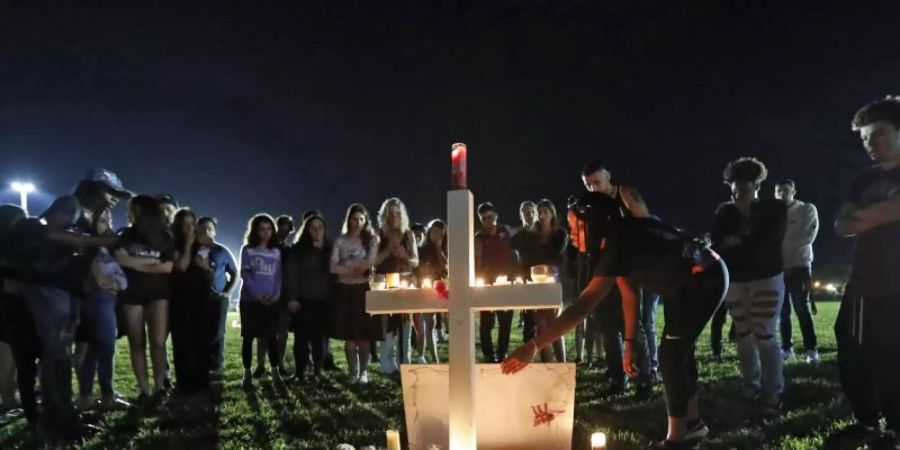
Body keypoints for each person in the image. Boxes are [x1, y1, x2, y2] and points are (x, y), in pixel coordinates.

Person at [503, 191, 728, 450]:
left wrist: (533, 346)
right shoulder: (617, 238)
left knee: (671, 356)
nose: (572, 234)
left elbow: (582, 308)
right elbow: (629, 294)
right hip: (690, 280)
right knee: (679, 353)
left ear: (593, 223)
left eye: (577, 227)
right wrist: (629, 343)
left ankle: (678, 439)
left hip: (702, 280)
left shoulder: (617, 242)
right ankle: (692, 424)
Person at [16, 168, 129, 439]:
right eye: (109, 191)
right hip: (47, 286)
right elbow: (52, 233)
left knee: (60, 356)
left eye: (117, 194)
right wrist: (100, 239)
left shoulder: (92, 218)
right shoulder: (71, 204)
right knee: (56, 356)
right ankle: (58, 425)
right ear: (91, 188)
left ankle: (62, 418)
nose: (114, 198)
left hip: (65, 289)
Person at [830, 97, 900, 449]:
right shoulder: (864, 179)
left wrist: (867, 216)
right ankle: (868, 421)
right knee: (853, 347)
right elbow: (842, 225)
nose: (872, 144)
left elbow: (859, 219)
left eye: (880, 134)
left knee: (892, 353)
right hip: (865, 280)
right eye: (866, 139)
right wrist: (882, 212)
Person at [711, 157, 786, 415]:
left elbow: (770, 239)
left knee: (764, 334)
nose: (737, 192)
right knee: (743, 334)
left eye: (742, 187)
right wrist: (745, 238)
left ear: (756, 184)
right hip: (736, 279)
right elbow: (718, 243)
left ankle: (772, 391)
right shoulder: (724, 211)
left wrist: (740, 237)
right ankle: (750, 384)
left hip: (766, 277)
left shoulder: (773, 208)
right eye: (733, 187)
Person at [580, 161, 653, 398]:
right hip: (603, 268)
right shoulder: (590, 206)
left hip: (627, 267)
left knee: (632, 325)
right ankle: (617, 377)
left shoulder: (625, 194)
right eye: (588, 185)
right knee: (608, 328)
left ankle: (644, 379)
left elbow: (645, 225)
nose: (593, 189)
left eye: (597, 183)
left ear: (608, 176)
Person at [115, 195, 175, 404]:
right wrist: (151, 261)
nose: (127, 214)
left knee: (158, 342)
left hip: (158, 293)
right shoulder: (125, 235)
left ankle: (159, 388)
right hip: (132, 294)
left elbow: (168, 267)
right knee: (136, 343)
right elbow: (121, 260)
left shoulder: (165, 237)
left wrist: (134, 262)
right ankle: (144, 390)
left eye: (131, 210)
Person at [77, 207, 130, 410]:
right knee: (106, 347)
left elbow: (122, 281)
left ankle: (87, 395)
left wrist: (116, 284)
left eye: (108, 220)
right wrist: (115, 284)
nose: (106, 224)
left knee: (95, 348)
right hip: (97, 300)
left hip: (109, 301)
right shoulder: (90, 248)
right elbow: (100, 280)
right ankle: (106, 395)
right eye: (101, 220)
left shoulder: (109, 248)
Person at [330, 204, 380, 385]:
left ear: (365, 220)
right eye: (354, 219)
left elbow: (370, 262)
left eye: (361, 219)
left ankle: (364, 373)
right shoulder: (341, 241)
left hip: (362, 289)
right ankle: (353, 372)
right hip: (345, 289)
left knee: (364, 334)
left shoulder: (371, 239)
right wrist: (353, 266)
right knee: (349, 334)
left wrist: (348, 264)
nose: (357, 222)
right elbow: (333, 266)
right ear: (348, 220)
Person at [513, 199, 568, 362]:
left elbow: (556, 256)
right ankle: (547, 364)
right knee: (541, 326)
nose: (542, 215)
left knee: (554, 324)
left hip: (553, 282)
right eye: (540, 212)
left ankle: (561, 363)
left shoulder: (559, 234)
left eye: (546, 212)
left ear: (552, 214)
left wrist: (545, 265)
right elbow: (522, 252)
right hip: (534, 282)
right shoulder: (531, 236)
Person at [0, 204, 40, 427]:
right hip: (12, 306)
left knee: (7, 353)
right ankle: (9, 398)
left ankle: (9, 397)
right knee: (11, 355)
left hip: (7, 305)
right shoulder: (11, 246)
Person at [283, 213, 335, 382]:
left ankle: (318, 372)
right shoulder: (298, 250)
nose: (317, 230)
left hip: (324, 301)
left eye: (320, 227)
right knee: (301, 339)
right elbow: (291, 274)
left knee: (320, 339)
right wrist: (292, 298)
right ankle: (299, 373)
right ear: (307, 230)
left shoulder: (331, 249)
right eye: (313, 227)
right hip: (303, 300)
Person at [775, 179, 820, 363]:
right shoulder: (774, 213)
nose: (782, 193)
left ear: (793, 190)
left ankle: (811, 350)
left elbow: (807, 236)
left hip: (799, 267)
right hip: (778, 268)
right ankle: (787, 348)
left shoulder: (806, 209)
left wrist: (782, 241)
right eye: (778, 190)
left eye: (785, 190)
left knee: (802, 309)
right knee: (782, 312)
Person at [238, 214, 283, 389]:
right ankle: (247, 375)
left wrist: (275, 296)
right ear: (256, 231)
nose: (266, 232)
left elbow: (278, 276)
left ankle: (275, 374)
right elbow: (245, 274)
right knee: (248, 338)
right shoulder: (247, 249)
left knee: (272, 338)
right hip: (250, 301)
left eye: (269, 228)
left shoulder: (276, 252)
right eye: (262, 229)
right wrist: (257, 295)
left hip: (271, 301)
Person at [374, 198, 419, 370]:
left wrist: (403, 255)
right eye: (390, 213)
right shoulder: (378, 235)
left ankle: (404, 363)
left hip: (404, 282)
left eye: (397, 213)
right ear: (384, 216)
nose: (393, 217)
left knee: (405, 322)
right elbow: (373, 261)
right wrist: (386, 251)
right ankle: (386, 363)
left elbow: (415, 261)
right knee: (386, 323)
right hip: (384, 282)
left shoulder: (408, 235)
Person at [195, 217, 238, 380]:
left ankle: (215, 366)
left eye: (210, 229)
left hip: (217, 298)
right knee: (200, 332)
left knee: (217, 333)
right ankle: (200, 365)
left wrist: (227, 293)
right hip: (198, 298)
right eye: (203, 228)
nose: (207, 232)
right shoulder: (193, 250)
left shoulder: (222, 251)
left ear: (214, 231)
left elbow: (235, 272)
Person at [474, 202, 516, 363]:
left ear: (496, 217)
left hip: (506, 282)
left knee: (505, 321)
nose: (488, 221)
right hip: (487, 284)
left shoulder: (505, 232)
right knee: (486, 323)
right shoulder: (478, 238)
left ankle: (502, 353)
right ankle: (488, 355)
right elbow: (476, 260)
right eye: (484, 218)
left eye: (490, 217)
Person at [415, 219, 448, 361]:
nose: (436, 236)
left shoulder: (442, 250)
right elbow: (417, 267)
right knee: (424, 323)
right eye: (434, 232)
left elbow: (444, 269)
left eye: (440, 234)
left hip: (437, 289)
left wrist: (439, 248)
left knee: (430, 323)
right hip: (422, 288)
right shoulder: (421, 249)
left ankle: (429, 357)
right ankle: (423, 355)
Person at [266, 214, 295, 377]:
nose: (283, 231)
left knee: (282, 333)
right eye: (281, 227)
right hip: (268, 293)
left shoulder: (288, 251)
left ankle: (279, 364)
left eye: (287, 228)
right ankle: (264, 365)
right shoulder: (267, 247)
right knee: (267, 332)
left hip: (283, 296)